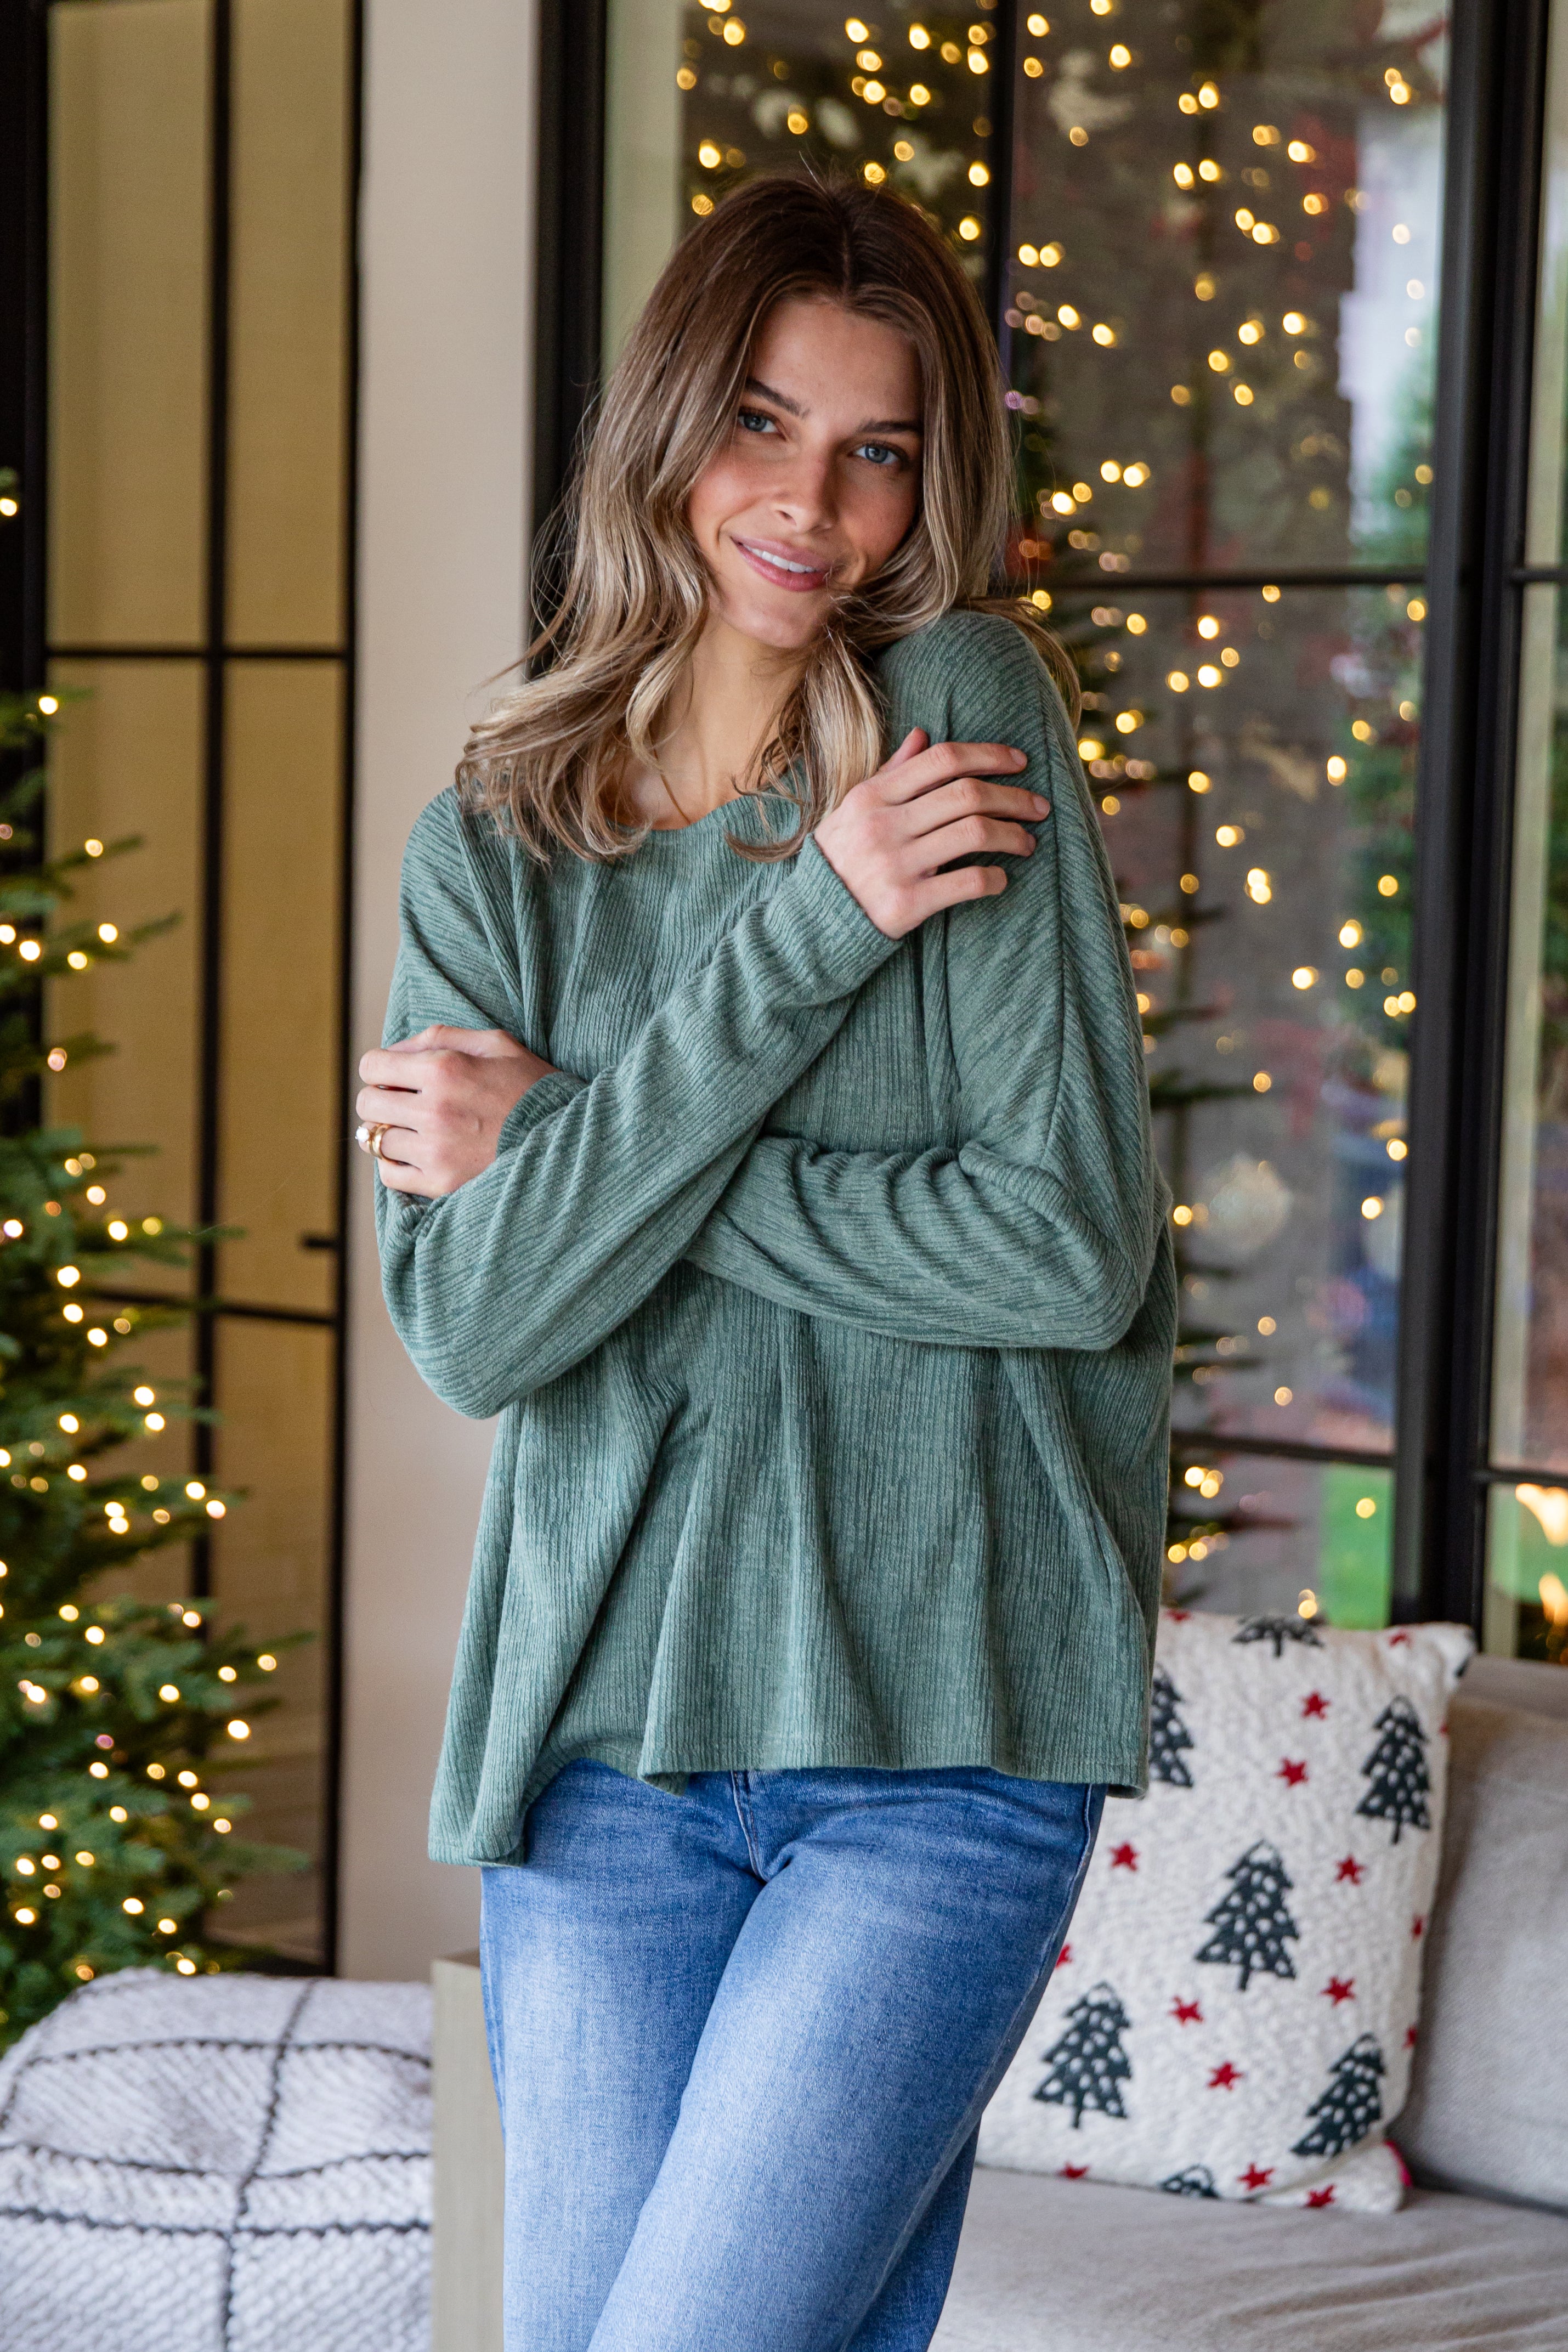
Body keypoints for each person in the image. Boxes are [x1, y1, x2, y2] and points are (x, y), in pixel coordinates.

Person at [358, 174, 1173, 2352]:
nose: (807, 500)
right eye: (760, 422)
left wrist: (585, 1147)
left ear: (926, 482)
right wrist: (807, 932)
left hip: (941, 1740)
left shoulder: (958, 717)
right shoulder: (490, 837)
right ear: (665, 429)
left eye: (875, 445)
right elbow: (478, 1320)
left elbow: (1066, 1248)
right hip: (601, 1758)